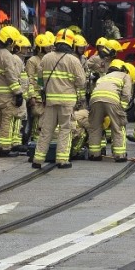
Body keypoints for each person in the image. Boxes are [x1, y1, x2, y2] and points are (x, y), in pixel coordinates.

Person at [32, 29, 87, 169]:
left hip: (50, 101)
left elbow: (39, 79)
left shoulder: (46, 58)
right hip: (67, 103)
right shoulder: (73, 60)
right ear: (71, 44)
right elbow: (81, 82)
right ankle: (62, 160)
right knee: (65, 130)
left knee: (46, 130)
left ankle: (37, 160)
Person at [0, 26, 25, 157]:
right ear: (9, 41)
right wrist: (18, 93)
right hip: (6, 96)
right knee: (7, 120)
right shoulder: (7, 56)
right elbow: (11, 76)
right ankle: (4, 148)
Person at [88, 58, 134, 162]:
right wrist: (122, 107)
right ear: (123, 68)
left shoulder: (104, 77)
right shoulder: (125, 76)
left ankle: (94, 154)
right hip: (112, 99)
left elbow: (94, 89)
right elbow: (126, 94)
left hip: (95, 99)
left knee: (95, 127)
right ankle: (119, 155)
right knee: (118, 126)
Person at [24, 31, 53, 150]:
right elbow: (29, 79)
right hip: (36, 94)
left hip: (46, 94)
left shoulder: (48, 59)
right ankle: (34, 142)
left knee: (44, 118)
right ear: (40, 47)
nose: (49, 48)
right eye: (47, 46)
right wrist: (32, 96)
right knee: (36, 117)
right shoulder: (32, 60)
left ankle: (40, 140)